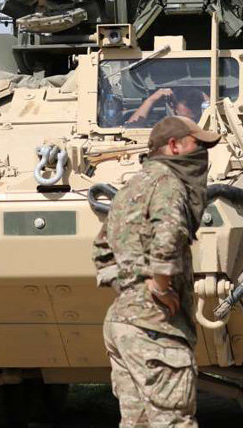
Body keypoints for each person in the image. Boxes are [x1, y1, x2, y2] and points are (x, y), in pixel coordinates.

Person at [91, 115, 221, 427]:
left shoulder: (131, 187)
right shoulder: (169, 184)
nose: (203, 153)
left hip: (122, 323)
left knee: (136, 422)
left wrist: (131, 287)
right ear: (174, 146)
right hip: (156, 326)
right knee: (173, 421)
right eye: (197, 144)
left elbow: (101, 250)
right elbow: (169, 235)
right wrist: (159, 286)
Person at [127, 87, 208, 125]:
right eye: (184, 118)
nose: (188, 123)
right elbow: (131, 128)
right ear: (172, 107)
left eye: (193, 119)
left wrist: (208, 101)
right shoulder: (162, 127)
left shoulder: (207, 124)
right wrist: (151, 100)